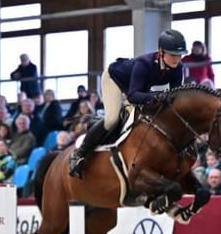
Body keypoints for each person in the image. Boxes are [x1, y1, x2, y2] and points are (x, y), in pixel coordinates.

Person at [68, 29, 188, 178]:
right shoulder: (144, 63)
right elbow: (132, 96)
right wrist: (156, 97)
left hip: (140, 88)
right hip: (115, 80)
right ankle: (79, 154)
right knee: (113, 119)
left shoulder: (178, 69)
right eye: (173, 54)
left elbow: (176, 97)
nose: (177, 59)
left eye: (180, 55)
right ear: (161, 51)